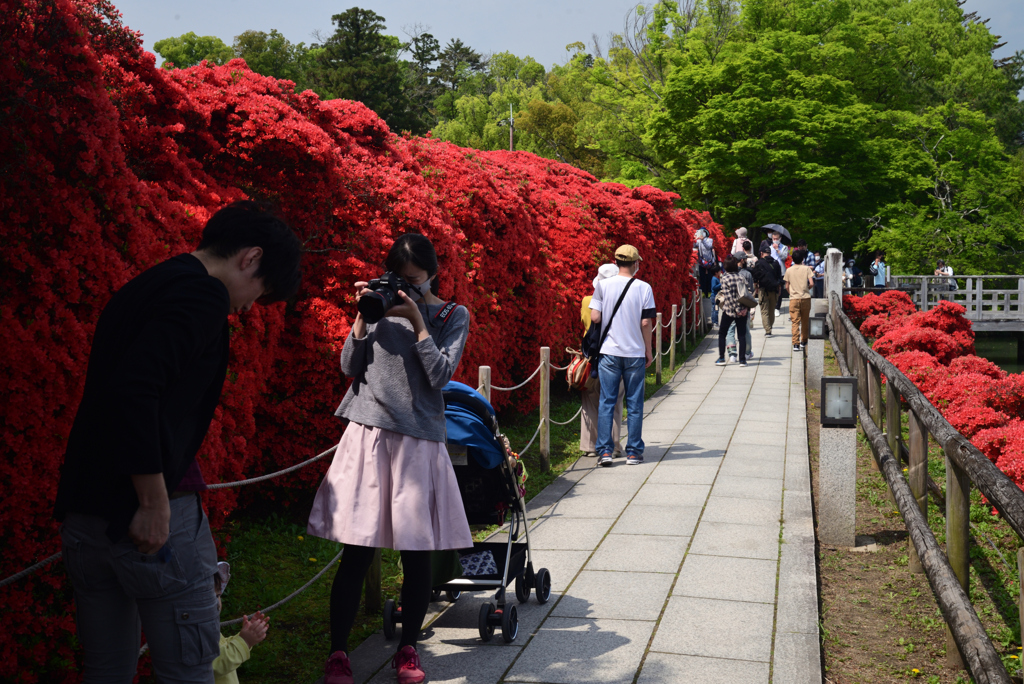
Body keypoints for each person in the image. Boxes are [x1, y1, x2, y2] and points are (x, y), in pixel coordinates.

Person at [54, 201, 302, 683]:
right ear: (250, 258)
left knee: (105, 669)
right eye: (260, 290)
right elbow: (136, 388)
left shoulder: (146, 284)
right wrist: (152, 500)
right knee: (188, 671)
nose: (248, 306)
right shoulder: (203, 296)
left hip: (85, 513)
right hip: (149, 522)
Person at [308, 233, 473, 684]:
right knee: (356, 553)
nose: (405, 288)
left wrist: (419, 322)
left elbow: (440, 375)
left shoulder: (450, 315)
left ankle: (407, 651)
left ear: (433, 274)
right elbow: (349, 367)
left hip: (418, 441)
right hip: (369, 435)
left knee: (415, 555)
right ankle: (338, 655)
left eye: (414, 280)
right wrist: (362, 318)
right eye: (397, 279)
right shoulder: (376, 307)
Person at [590, 245, 656, 467]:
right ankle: (634, 452)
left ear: (616, 262)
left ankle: (605, 451)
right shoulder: (644, 288)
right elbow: (646, 322)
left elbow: (595, 317)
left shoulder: (602, 286)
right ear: (636, 263)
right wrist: (648, 349)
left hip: (609, 351)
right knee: (634, 404)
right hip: (634, 352)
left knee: (607, 402)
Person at [580, 264, 624, 459]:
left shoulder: (587, 301)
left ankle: (590, 446)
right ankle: (613, 445)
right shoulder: (624, 302)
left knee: (590, 400)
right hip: (618, 354)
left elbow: (584, 323)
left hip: (592, 358)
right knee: (614, 401)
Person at [213, 562, 269, 684]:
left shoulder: (207, 626)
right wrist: (245, 641)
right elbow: (214, 665)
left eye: (217, 595)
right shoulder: (189, 633)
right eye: (207, 596)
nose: (216, 603)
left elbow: (222, 647)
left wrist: (243, 637)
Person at [715, 255, 751, 367]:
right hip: (743, 311)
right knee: (742, 335)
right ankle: (742, 360)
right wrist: (745, 309)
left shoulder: (724, 279)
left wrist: (736, 310)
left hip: (729, 311)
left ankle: (721, 358)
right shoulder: (741, 277)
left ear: (725, 267)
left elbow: (728, 297)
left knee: (722, 334)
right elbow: (747, 294)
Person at [783, 248, 815, 352]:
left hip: (794, 298)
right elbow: (811, 283)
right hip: (805, 297)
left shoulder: (789, 270)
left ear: (793, 259)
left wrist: (791, 293)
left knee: (795, 321)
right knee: (805, 321)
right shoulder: (806, 269)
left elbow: (786, 286)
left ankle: (795, 343)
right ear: (802, 259)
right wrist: (806, 289)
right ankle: (803, 341)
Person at [726, 250, 755, 361]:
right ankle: (747, 352)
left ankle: (732, 354)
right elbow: (751, 291)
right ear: (742, 260)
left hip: (730, 306)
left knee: (730, 329)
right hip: (743, 306)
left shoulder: (727, 273)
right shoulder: (747, 274)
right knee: (745, 330)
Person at [752, 244, 782, 337]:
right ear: (769, 253)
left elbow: (755, 277)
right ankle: (770, 326)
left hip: (763, 290)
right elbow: (779, 277)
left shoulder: (759, 263)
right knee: (771, 310)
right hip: (774, 290)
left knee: (764, 311)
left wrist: (756, 288)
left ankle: (768, 330)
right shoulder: (776, 263)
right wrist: (779, 289)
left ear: (761, 253)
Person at [695, 228, 717, 296]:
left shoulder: (710, 240)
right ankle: (703, 292)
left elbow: (709, 247)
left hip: (710, 262)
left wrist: (703, 240)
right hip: (702, 262)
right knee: (702, 278)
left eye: (703, 232)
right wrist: (694, 239)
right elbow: (693, 246)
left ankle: (710, 292)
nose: (702, 233)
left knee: (710, 277)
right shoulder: (698, 241)